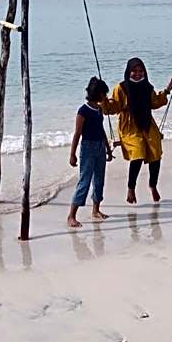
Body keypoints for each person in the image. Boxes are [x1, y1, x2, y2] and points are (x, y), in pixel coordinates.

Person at [102, 57, 172, 205]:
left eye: (140, 71)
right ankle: (131, 188)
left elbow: (154, 103)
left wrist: (166, 91)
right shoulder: (121, 88)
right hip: (129, 127)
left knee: (156, 153)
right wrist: (103, 100)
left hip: (147, 123)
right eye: (134, 71)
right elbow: (113, 107)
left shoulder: (147, 87)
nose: (137, 74)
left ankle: (153, 185)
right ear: (128, 71)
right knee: (138, 154)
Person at [67, 77, 114, 229]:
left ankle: (96, 210)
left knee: (99, 179)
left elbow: (101, 131)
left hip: (100, 146)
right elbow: (77, 133)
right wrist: (72, 154)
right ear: (98, 94)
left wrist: (107, 149)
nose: (105, 97)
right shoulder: (83, 110)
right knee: (84, 182)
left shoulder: (99, 110)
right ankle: (71, 216)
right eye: (104, 94)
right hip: (87, 148)